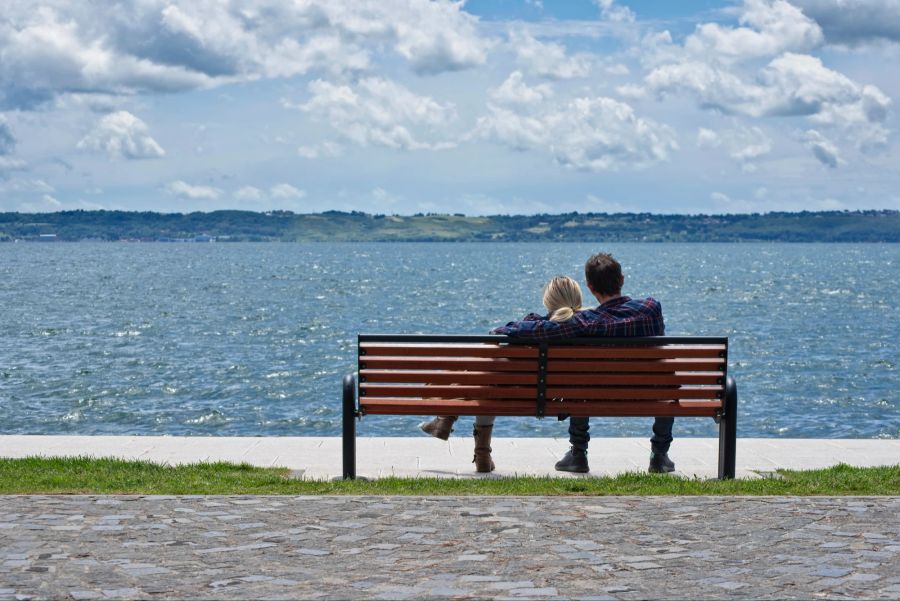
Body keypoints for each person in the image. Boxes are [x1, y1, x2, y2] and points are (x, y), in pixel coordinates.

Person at [491, 253, 673, 475]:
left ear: (590, 287)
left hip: (595, 393)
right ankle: (659, 455)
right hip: (649, 393)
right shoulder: (651, 309)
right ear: (622, 280)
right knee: (667, 381)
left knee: (579, 377)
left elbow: (541, 329)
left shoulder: (586, 322)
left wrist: (504, 329)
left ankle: (578, 454)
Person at [418, 276, 585, 473]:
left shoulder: (533, 325)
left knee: (488, 373)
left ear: (548, 300)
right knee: (487, 375)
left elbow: (496, 332)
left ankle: (458, 429)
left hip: (512, 392)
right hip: (554, 398)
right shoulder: (586, 328)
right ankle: (448, 420)